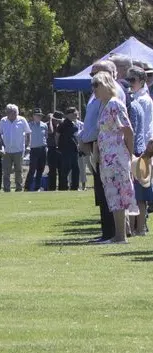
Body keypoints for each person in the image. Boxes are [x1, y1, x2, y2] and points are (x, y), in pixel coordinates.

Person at [92, 70, 136, 243]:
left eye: (97, 85)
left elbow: (128, 131)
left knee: (119, 194)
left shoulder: (114, 104)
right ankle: (121, 233)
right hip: (108, 158)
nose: (93, 89)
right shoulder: (104, 105)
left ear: (106, 85)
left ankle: (120, 236)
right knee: (113, 194)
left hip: (117, 157)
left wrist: (130, 155)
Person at [79, 60, 120, 242]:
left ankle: (113, 232)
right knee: (101, 191)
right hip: (95, 145)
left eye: (96, 74)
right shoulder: (96, 94)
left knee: (108, 191)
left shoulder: (114, 94)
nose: (92, 79)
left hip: (106, 146)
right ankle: (107, 231)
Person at [126, 66, 153, 235]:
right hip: (139, 147)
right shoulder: (134, 98)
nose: (130, 83)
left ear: (142, 81)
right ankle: (138, 226)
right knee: (136, 190)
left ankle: (140, 226)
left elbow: (145, 127)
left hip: (142, 148)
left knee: (141, 191)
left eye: (133, 80)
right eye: (128, 80)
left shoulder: (143, 100)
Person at [0, 105, 30, 192]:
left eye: (15, 112)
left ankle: (19, 188)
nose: (13, 114)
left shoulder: (22, 120)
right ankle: (6, 189)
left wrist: (27, 145)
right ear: (7, 113)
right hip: (6, 151)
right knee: (6, 171)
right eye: (11, 112)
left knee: (18, 170)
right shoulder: (3, 121)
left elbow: (28, 133)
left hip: (19, 150)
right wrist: (1, 147)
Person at [56, 109, 81, 191]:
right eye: (74, 114)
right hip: (65, 150)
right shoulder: (63, 124)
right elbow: (57, 135)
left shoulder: (74, 124)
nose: (76, 116)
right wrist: (58, 146)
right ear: (68, 114)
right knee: (65, 170)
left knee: (76, 169)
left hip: (74, 150)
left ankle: (75, 187)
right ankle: (63, 187)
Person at [25, 109, 48, 191]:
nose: (39, 116)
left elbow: (46, 136)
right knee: (32, 169)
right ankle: (27, 187)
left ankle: (37, 187)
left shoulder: (44, 125)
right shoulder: (29, 125)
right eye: (37, 115)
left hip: (43, 149)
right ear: (33, 116)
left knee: (40, 169)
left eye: (40, 115)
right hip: (34, 149)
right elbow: (26, 137)